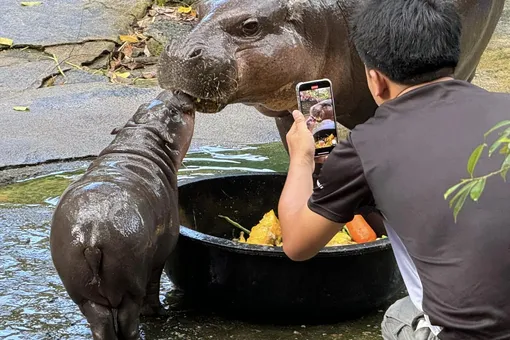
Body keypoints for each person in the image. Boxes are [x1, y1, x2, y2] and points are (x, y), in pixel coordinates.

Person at [277, 1, 510, 339]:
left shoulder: (368, 144)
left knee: (399, 317)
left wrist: (300, 157)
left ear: (375, 80)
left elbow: (297, 244)